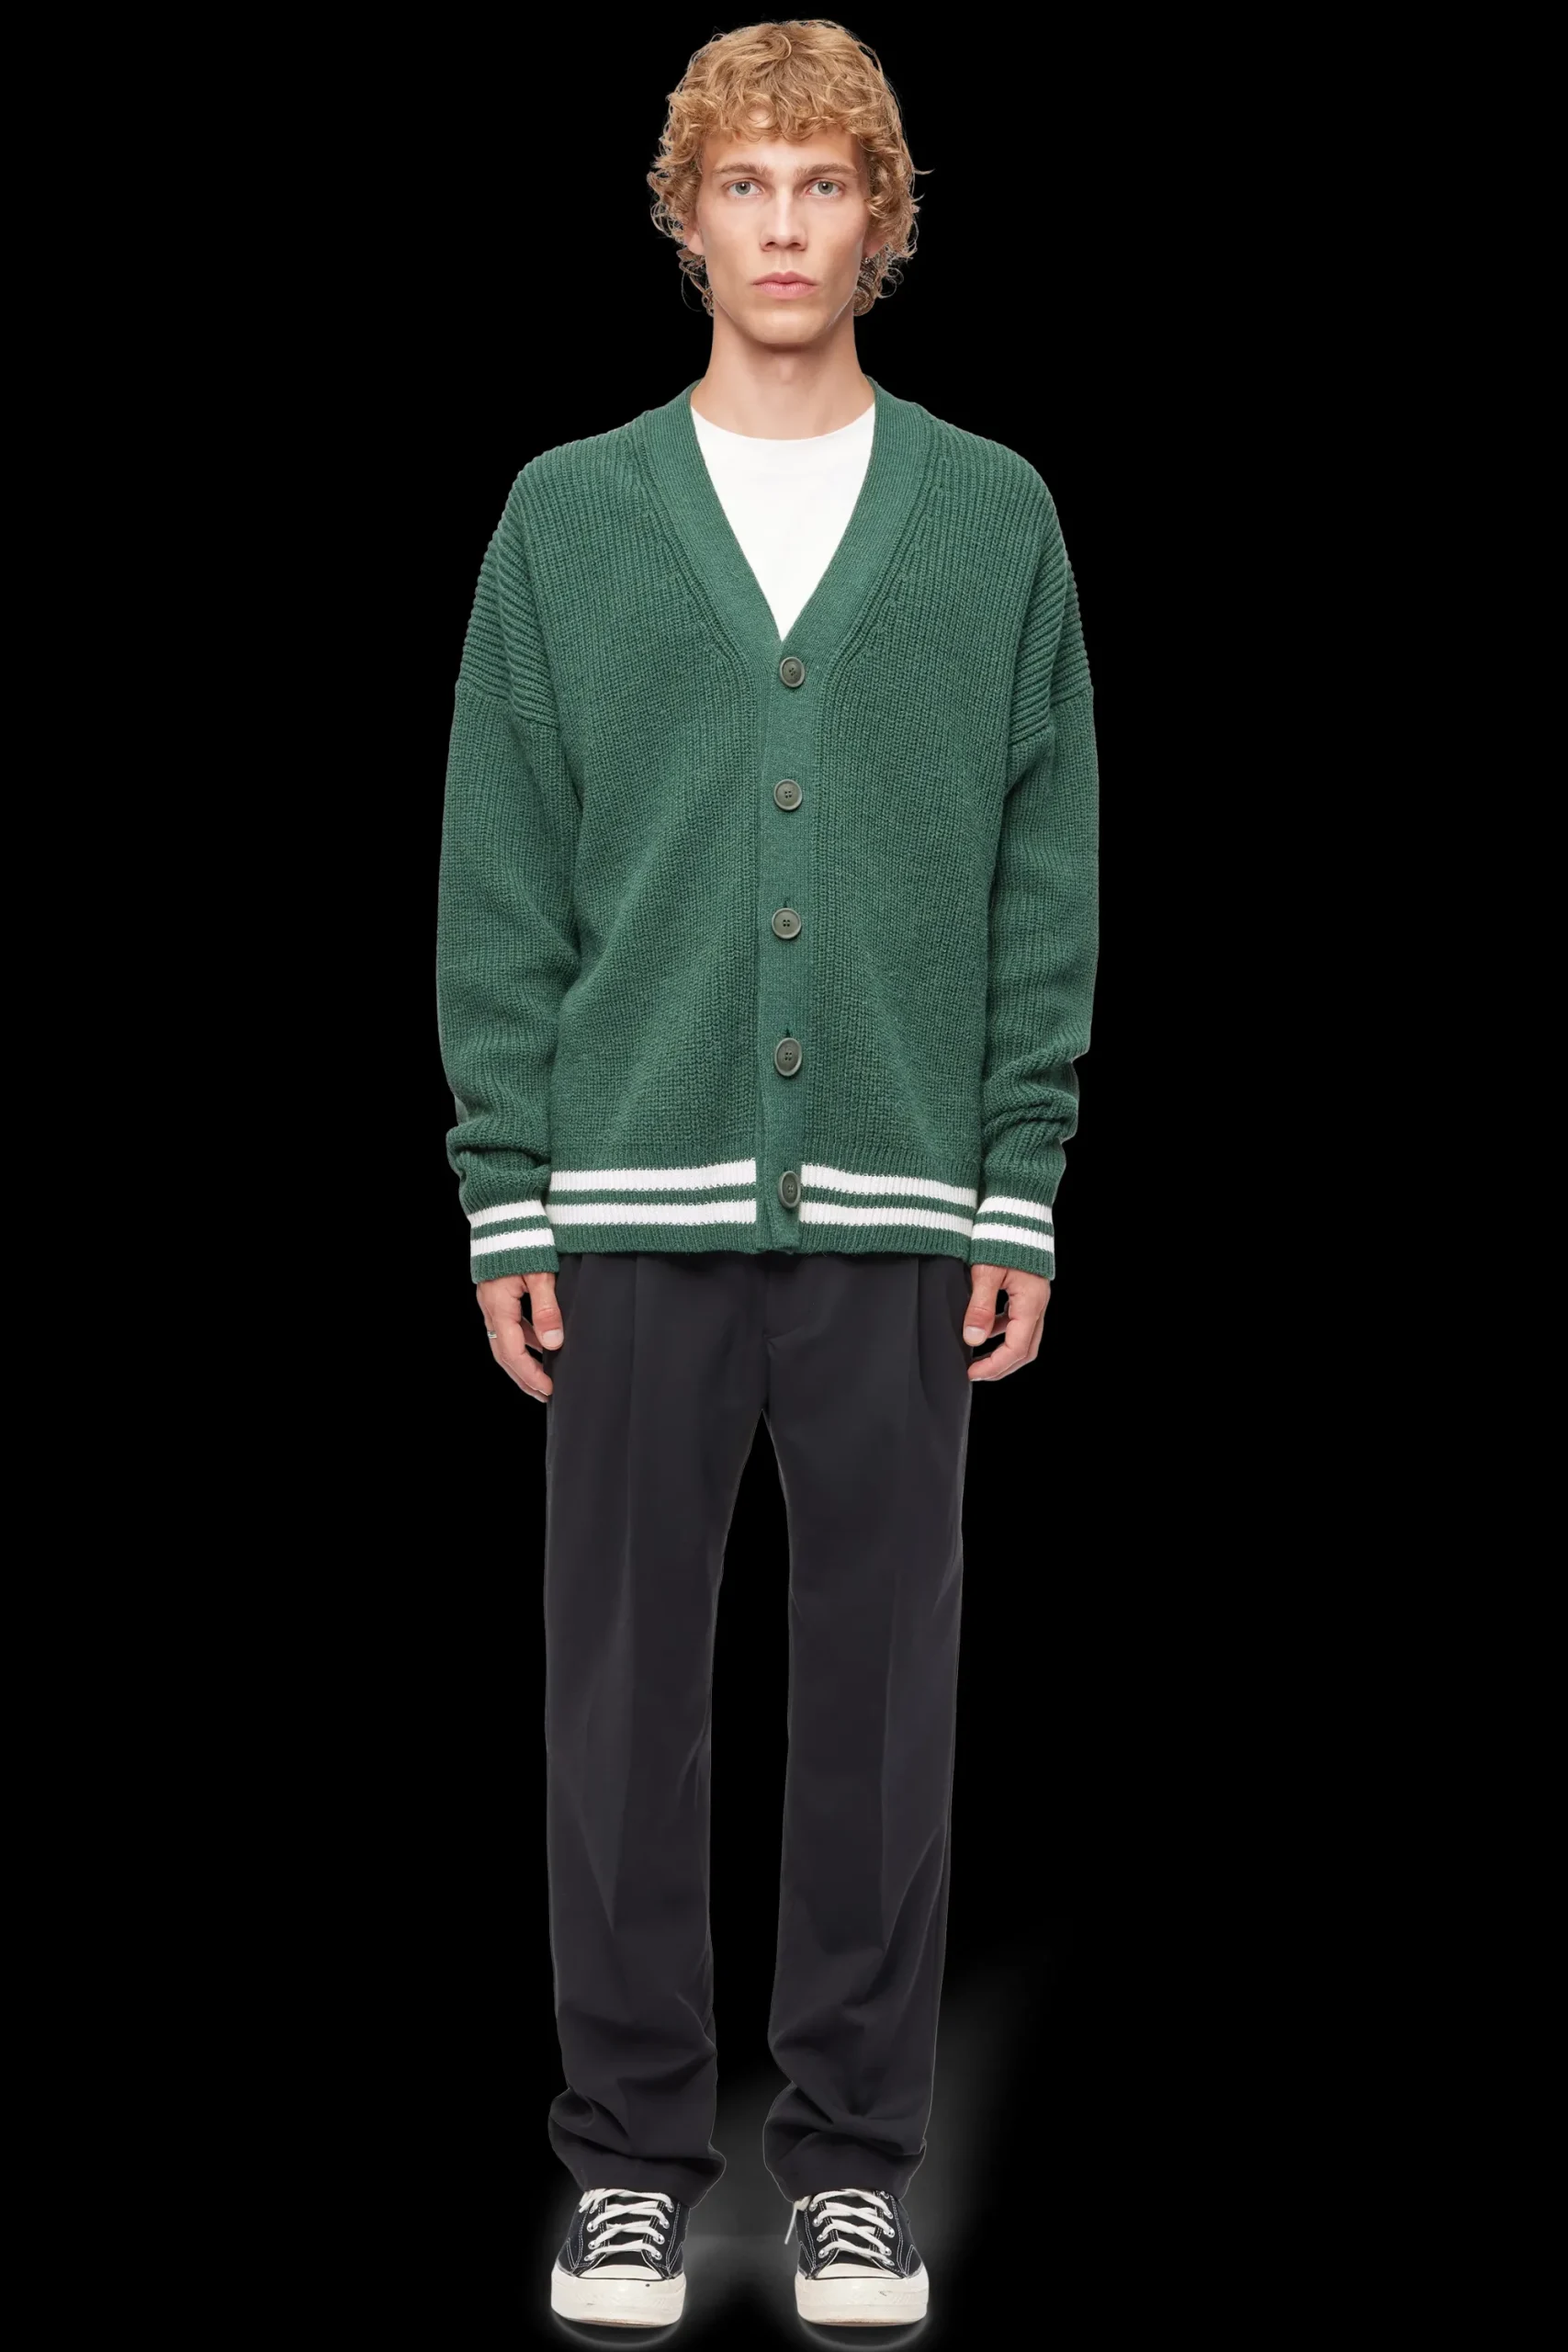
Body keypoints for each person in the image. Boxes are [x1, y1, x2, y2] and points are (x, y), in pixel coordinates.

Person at [434, 17, 1099, 2330]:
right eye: (747, 184)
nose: (787, 226)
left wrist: (1018, 1169)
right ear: (685, 217)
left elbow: (1044, 864)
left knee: (883, 1690)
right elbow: (502, 864)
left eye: (827, 184)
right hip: (624, 1193)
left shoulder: (994, 516)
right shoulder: (567, 515)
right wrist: (504, 1181)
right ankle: (626, 2158)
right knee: (619, 1697)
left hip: (902, 1198)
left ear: (882, 220)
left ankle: (849, 2165)